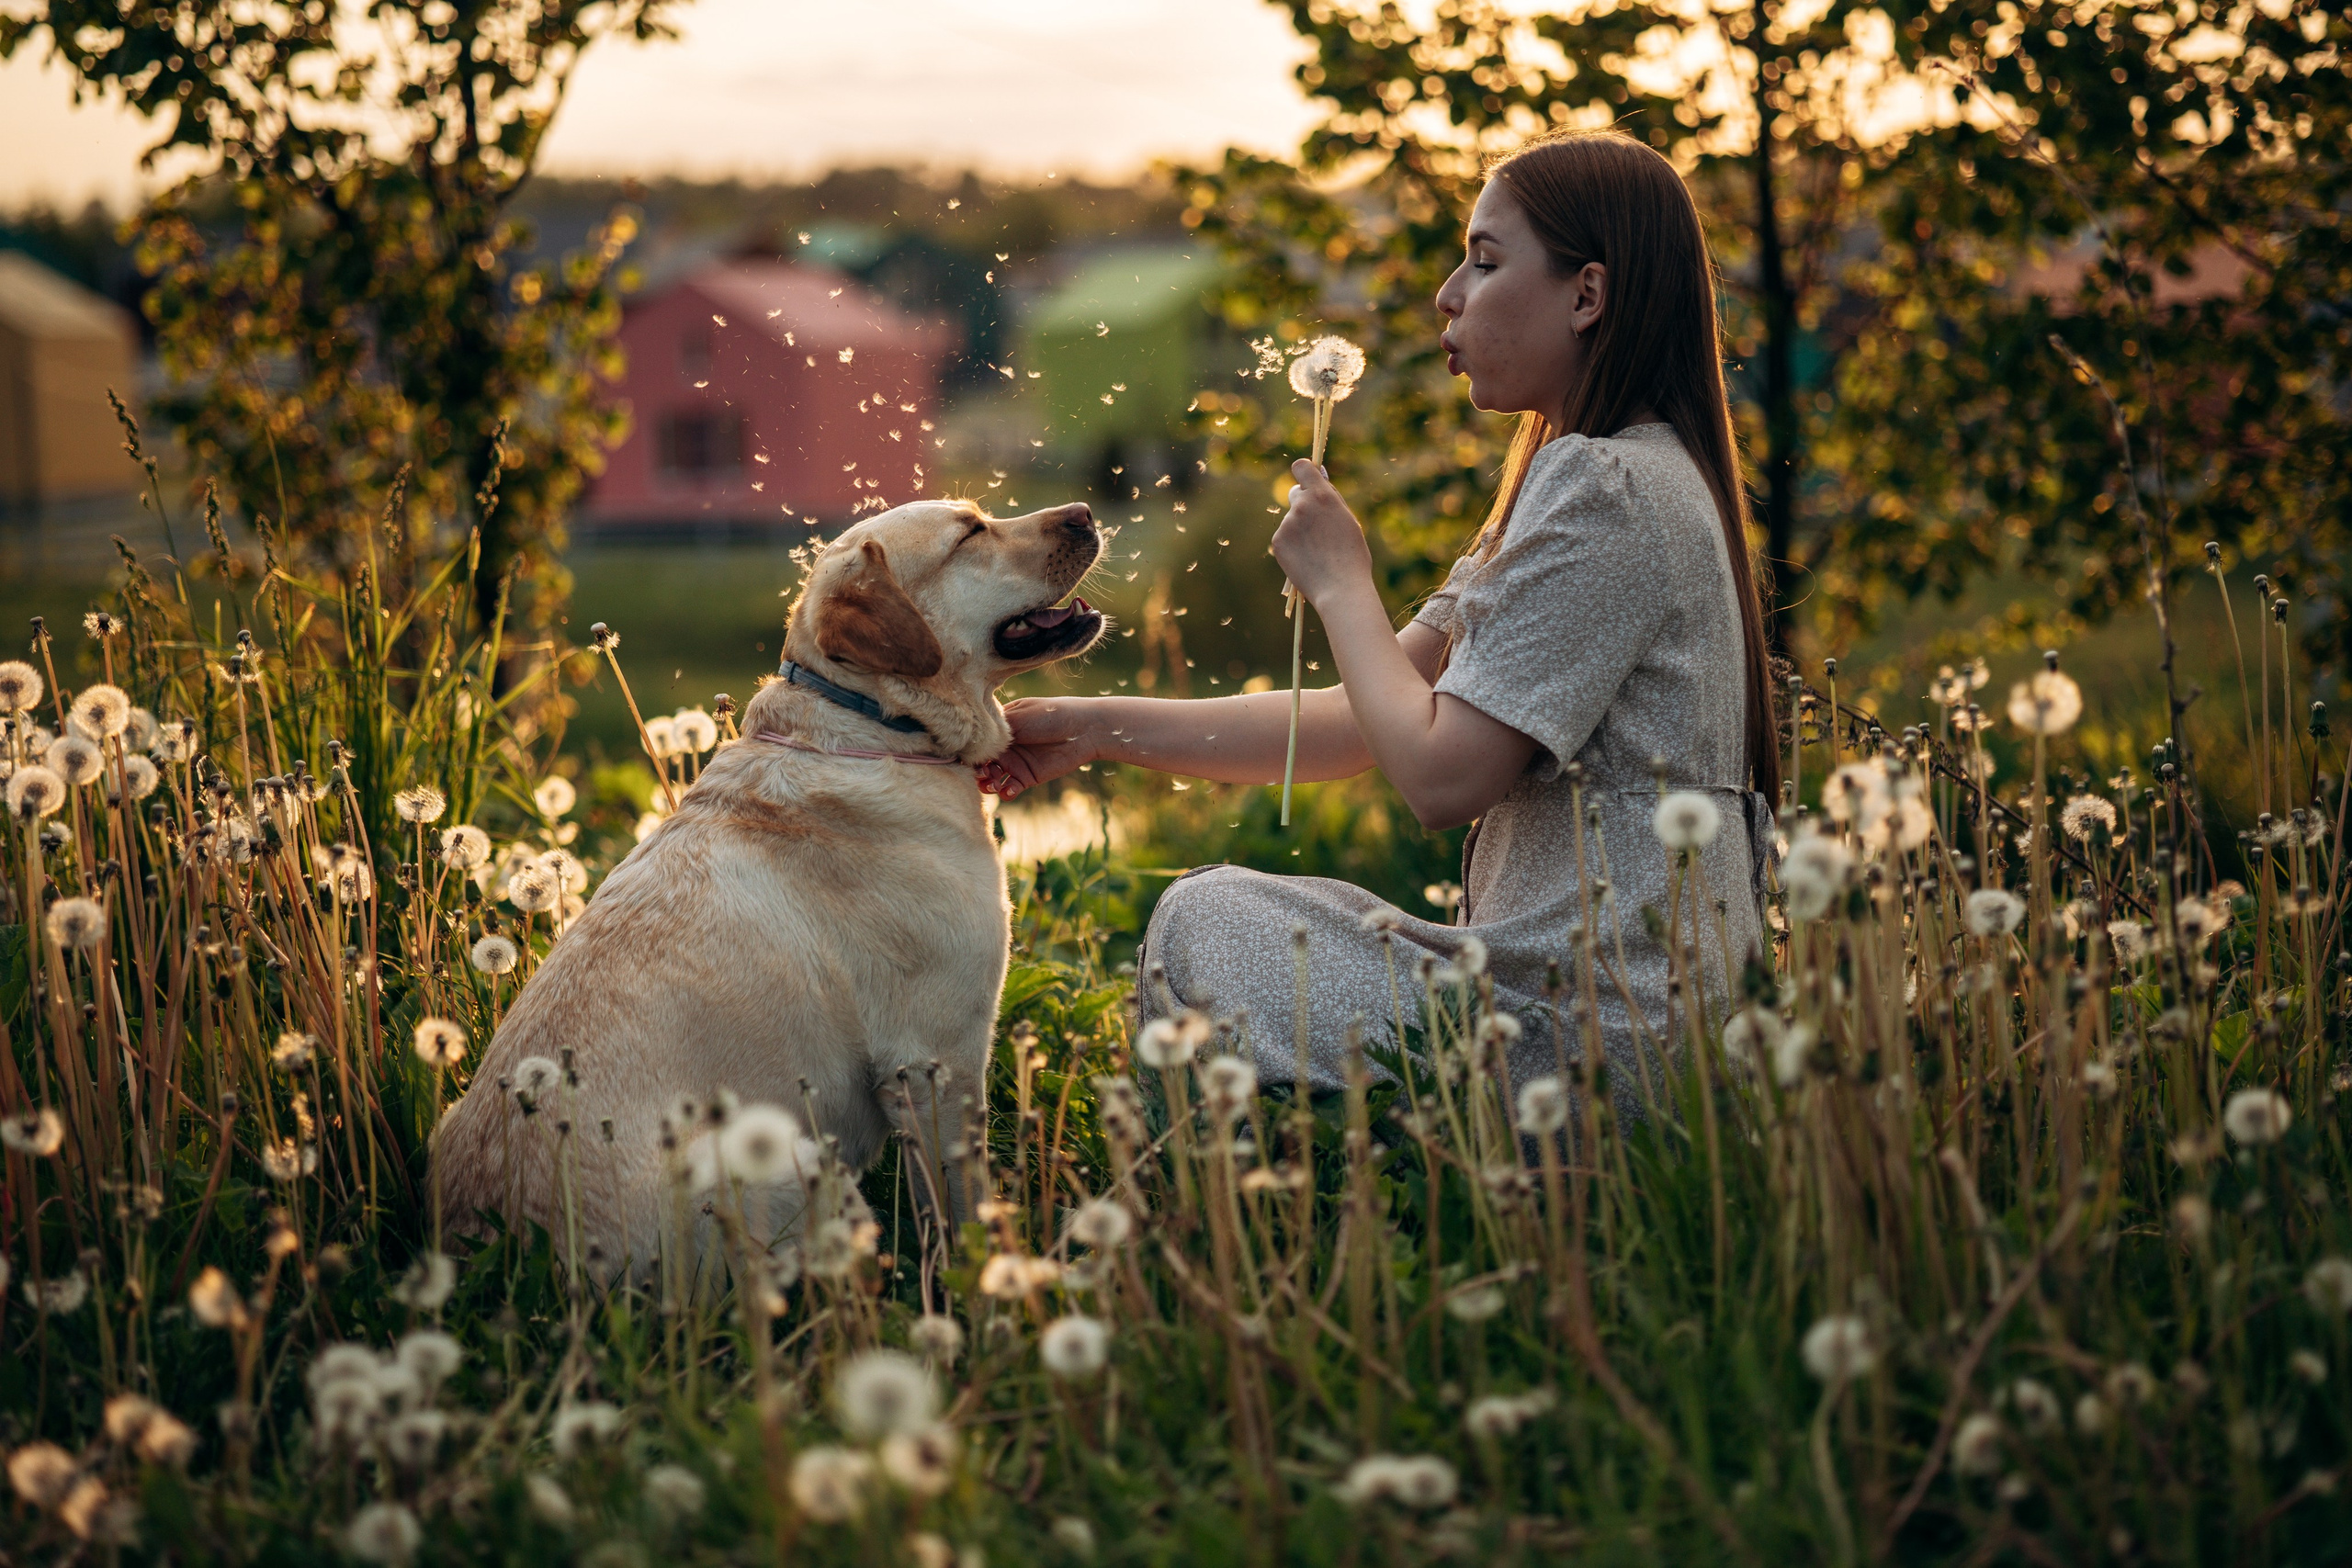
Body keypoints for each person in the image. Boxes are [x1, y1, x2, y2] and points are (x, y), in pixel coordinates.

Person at [980, 129, 1781, 1099]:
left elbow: (1440, 776)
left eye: (1485, 261)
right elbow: (1366, 715)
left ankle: (1227, 1220)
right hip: (1610, 1025)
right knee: (1221, 913)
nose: (1448, 293)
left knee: (1206, 921)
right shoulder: (1610, 479)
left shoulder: (1603, 485)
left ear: (1586, 295)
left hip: (1584, 1040)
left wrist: (1340, 583)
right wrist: (1091, 727)